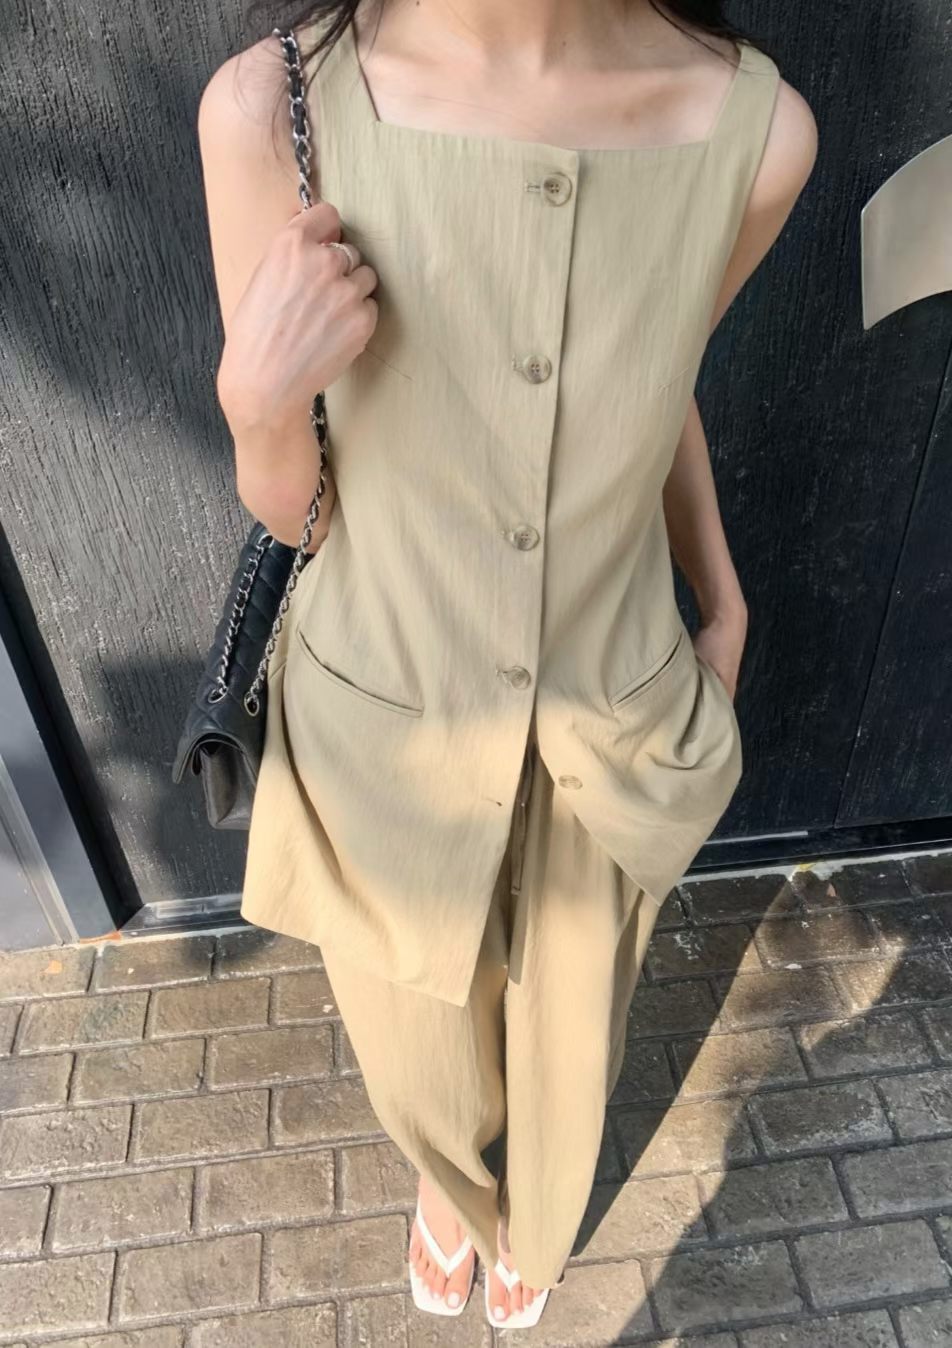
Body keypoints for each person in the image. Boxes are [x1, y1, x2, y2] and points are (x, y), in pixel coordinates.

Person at [197, 0, 817, 1328]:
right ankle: (450, 1191)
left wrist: (722, 599)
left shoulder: (756, 133)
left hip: (614, 709)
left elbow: (661, 376)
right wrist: (256, 404)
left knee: (573, 1048)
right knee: (417, 1062)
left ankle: (533, 1229)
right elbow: (307, 515)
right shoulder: (270, 111)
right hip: (386, 722)